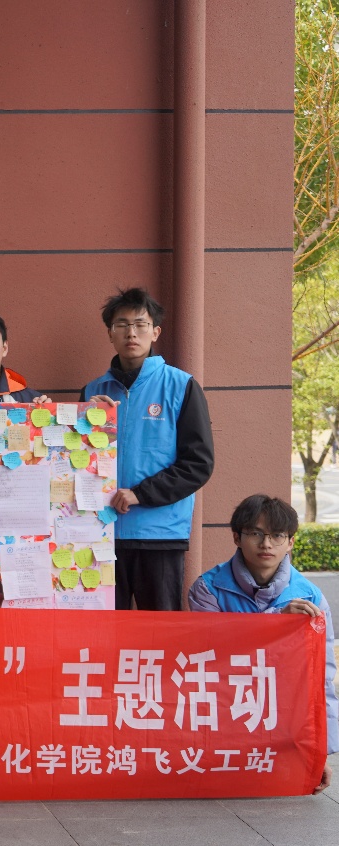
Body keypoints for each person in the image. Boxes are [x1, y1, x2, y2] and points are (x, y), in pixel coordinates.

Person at [188, 495, 336, 794]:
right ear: (237, 537)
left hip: (281, 716)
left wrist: (320, 752)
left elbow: (321, 677)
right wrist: (278, 622)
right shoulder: (207, 588)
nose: (266, 544)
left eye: (277, 535)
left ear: (290, 542)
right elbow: (211, 652)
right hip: (223, 714)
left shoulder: (311, 598)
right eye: (256, 533)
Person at [83, 287, 214, 611]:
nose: (131, 333)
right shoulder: (92, 391)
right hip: (100, 532)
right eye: (122, 324)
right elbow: (76, 462)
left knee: (160, 632)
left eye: (140, 324)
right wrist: (84, 421)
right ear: (110, 334)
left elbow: (198, 464)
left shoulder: (181, 385)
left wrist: (140, 494)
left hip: (160, 536)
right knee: (103, 631)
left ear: (155, 332)